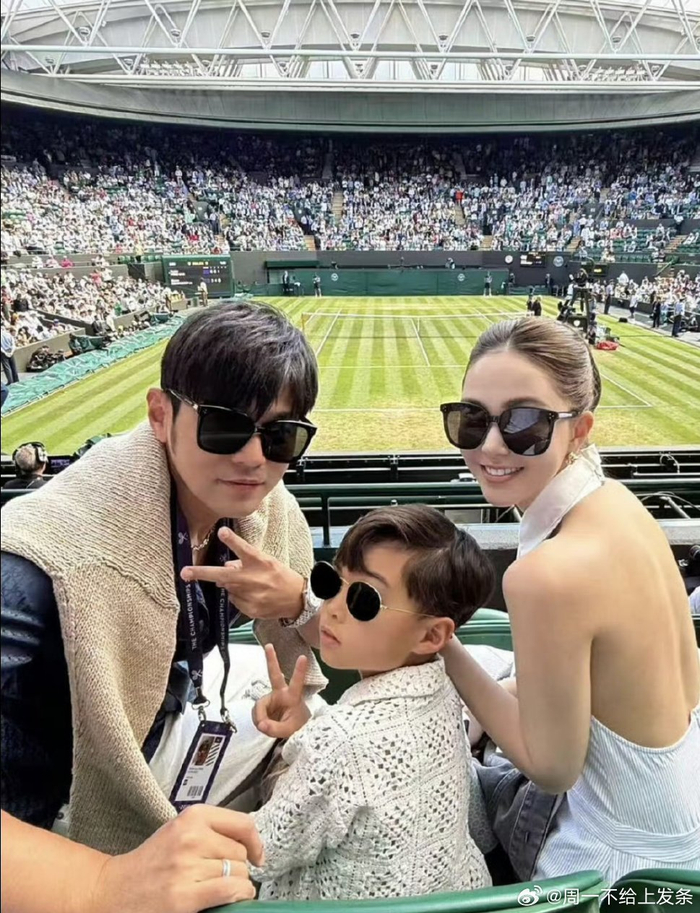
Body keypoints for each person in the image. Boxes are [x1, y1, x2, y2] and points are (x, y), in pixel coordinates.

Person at [1, 301, 325, 913]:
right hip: (55, 808)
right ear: (160, 415)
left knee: (330, 739)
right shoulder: (35, 574)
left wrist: (295, 603)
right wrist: (101, 884)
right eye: (224, 427)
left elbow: (322, 629)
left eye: (281, 435)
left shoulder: (268, 512)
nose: (254, 458)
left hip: (167, 718)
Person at [439, 317, 700, 882]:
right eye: (471, 419)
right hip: (678, 825)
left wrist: (445, 648)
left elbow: (552, 768)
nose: (489, 446)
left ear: (579, 430)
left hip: (614, 867)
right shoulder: (620, 503)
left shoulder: (547, 575)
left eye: (524, 423)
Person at [248, 506, 493, 900]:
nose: (332, 607)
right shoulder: (443, 692)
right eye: (330, 581)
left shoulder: (339, 741)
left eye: (364, 599)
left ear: (431, 636)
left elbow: (258, 852)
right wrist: (308, 726)